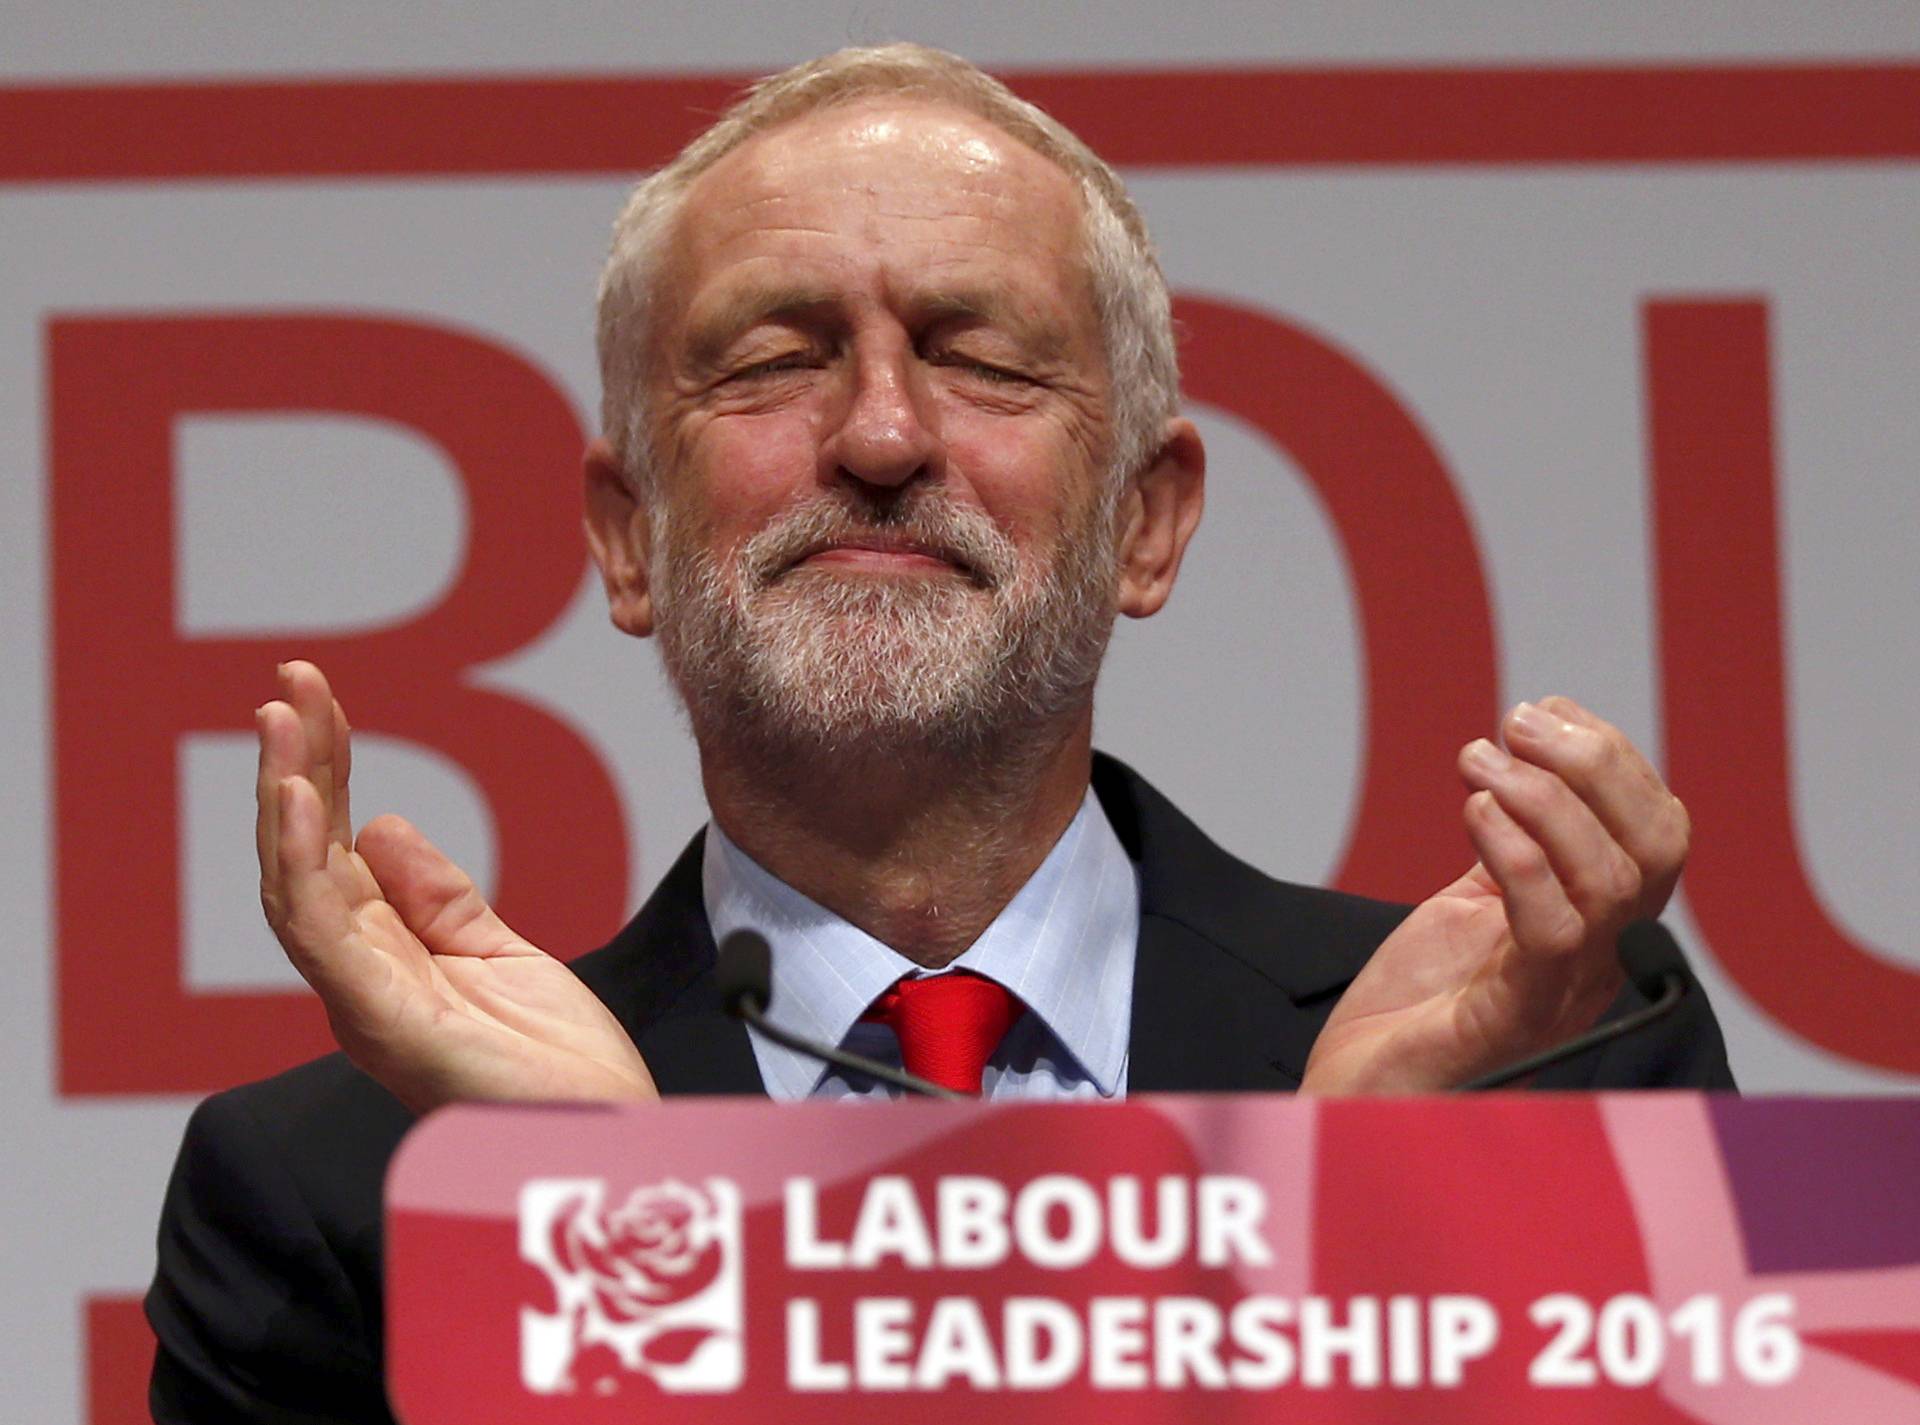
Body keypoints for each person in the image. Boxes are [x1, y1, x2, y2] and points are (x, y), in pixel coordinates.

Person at [148, 43, 1733, 1424]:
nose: (885, 435)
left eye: (979, 356)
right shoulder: (343, 1192)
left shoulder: (1562, 1068)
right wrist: (628, 1225)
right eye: (775, 359)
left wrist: (1340, 1223)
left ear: (1148, 523)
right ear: (628, 538)